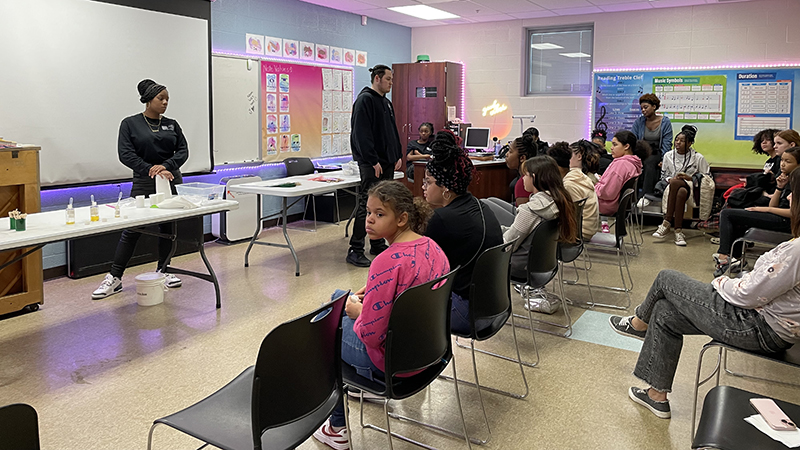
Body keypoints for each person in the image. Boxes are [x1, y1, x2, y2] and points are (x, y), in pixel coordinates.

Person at [608, 169, 800, 420]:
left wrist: (722, 282)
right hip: (765, 324)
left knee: (666, 278)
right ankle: (656, 396)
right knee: (665, 312)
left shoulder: (796, 251)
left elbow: (748, 295)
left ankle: (638, 323)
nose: (787, 198)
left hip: (757, 327)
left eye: (793, 194)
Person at [313, 181, 449, 450]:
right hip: (429, 352)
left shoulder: (385, 261)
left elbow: (372, 335)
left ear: (401, 219)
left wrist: (359, 312)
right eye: (368, 212)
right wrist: (372, 295)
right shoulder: (432, 247)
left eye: (380, 214)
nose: (369, 220)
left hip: (392, 364)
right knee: (339, 296)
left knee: (322, 328)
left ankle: (337, 427)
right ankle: (356, 390)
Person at [92, 79, 187, 300]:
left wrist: (166, 166)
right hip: (145, 181)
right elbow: (125, 154)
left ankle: (164, 270)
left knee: (168, 228)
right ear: (148, 100)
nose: (165, 103)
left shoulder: (172, 124)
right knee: (133, 228)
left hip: (170, 179)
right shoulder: (130, 123)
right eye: (160, 99)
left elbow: (183, 151)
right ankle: (114, 277)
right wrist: (150, 169)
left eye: (167, 99)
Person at [422, 139, 504, 334]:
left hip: (467, 313)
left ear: (445, 188)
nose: (423, 187)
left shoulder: (441, 219)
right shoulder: (480, 205)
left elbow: (421, 272)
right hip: (494, 307)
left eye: (428, 182)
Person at [488, 156, 577, 314]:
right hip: (544, 263)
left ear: (534, 178)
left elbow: (508, 245)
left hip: (519, 265)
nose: (522, 180)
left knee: (486, 211)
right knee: (490, 202)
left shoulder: (530, 211)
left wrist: (491, 235)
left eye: (525, 175)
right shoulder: (559, 200)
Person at [346, 64, 403, 267]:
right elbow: (361, 134)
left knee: (383, 205)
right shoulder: (365, 101)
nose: (391, 83)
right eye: (388, 79)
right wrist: (372, 160)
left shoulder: (385, 103)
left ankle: (377, 242)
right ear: (377, 78)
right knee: (367, 205)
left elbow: (392, 131)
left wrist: (397, 154)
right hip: (372, 163)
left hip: (387, 161)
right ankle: (355, 248)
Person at [712, 144, 800, 276]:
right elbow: (774, 205)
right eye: (782, 160)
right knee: (738, 215)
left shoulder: (797, 181)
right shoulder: (787, 178)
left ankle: (724, 256)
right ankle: (735, 258)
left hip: (787, 222)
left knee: (727, 214)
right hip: (777, 216)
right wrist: (779, 188)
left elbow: (794, 213)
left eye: (788, 161)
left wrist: (764, 209)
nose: (782, 164)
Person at [651, 126, 710, 246]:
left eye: (682, 141)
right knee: (680, 191)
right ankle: (678, 231)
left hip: (692, 187)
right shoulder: (668, 155)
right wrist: (670, 179)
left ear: (689, 143)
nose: (677, 142)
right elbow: (663, 176)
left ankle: (667, 221)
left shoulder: (698, 157)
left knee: (677, 183)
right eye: (676, 139)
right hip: (673, 187)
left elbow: (707, 177)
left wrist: (690, 178)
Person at [547, 141, 600, 241]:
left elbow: (564, 214)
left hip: (580, 232)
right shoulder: (581, 176)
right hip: (589, 229)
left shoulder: (569, 184)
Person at [594, 130, 650, 216]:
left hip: (605, 205)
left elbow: (607, 193)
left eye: (615, 144)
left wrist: (594, 185)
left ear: (626, 146)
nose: (611, 148)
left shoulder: (621, 164)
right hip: (618, 205)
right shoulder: (633, 163)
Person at [632, 94, 673, 207]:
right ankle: (631, 198)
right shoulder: (639, 122)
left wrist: (664, 160)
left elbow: (667, 143)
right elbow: (633, 140)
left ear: (654, 107)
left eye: (646, 107)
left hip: (656, 152)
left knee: (650, 163)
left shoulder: (665, 122)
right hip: (641, 152)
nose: (643, 110)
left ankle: (646, 196)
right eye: (641, 108)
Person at [503, 133, 539, 206]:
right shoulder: (536, 173)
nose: (506, 154)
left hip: (523, 216)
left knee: (486, 202)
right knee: (490, 200)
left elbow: (522, 213)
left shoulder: (523, 182)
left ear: (522, 158)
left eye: (510, 151)